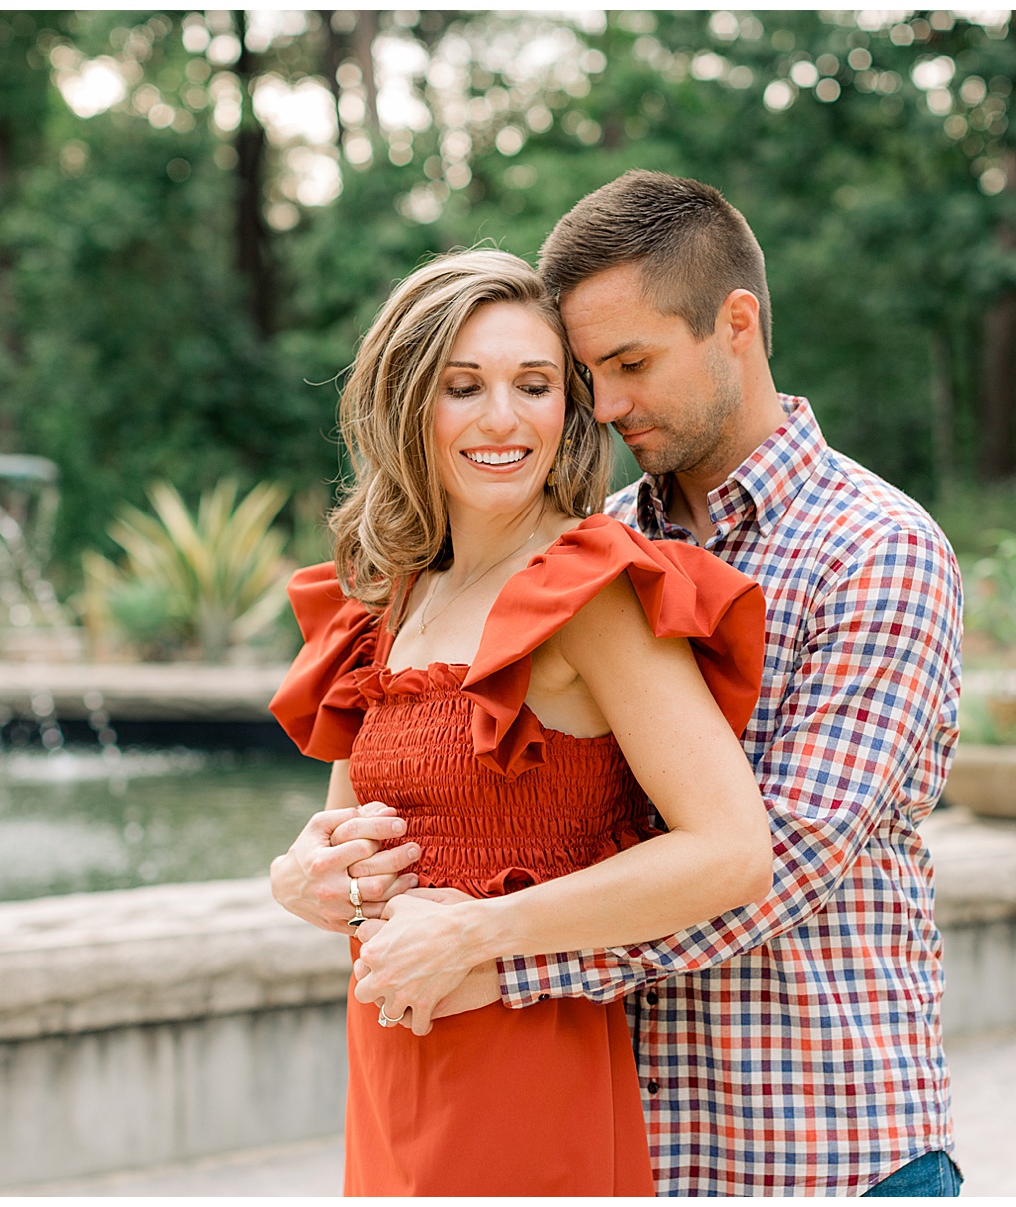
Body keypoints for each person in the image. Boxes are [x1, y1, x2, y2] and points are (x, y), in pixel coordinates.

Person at [278, 171, 966, 1197]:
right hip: (627, 1122)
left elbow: (778, 859)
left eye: (629, 363)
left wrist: (498, 958)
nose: (604, 404)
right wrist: (312, 876)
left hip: (816, 1145)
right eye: (586, 371)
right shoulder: (591, 543)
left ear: (736, 324)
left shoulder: (876, 549)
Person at [266, 248, 775, 1196]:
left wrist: (480, 933)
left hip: (529, 1072)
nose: (503, 418)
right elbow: (349, 838)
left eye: (533, 385)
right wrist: (300, 876)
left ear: (566, 411)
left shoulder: (593, 589)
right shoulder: (389, 596)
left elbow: (733, 850)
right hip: (391, 1060)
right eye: (465, 386)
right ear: (409, 402)